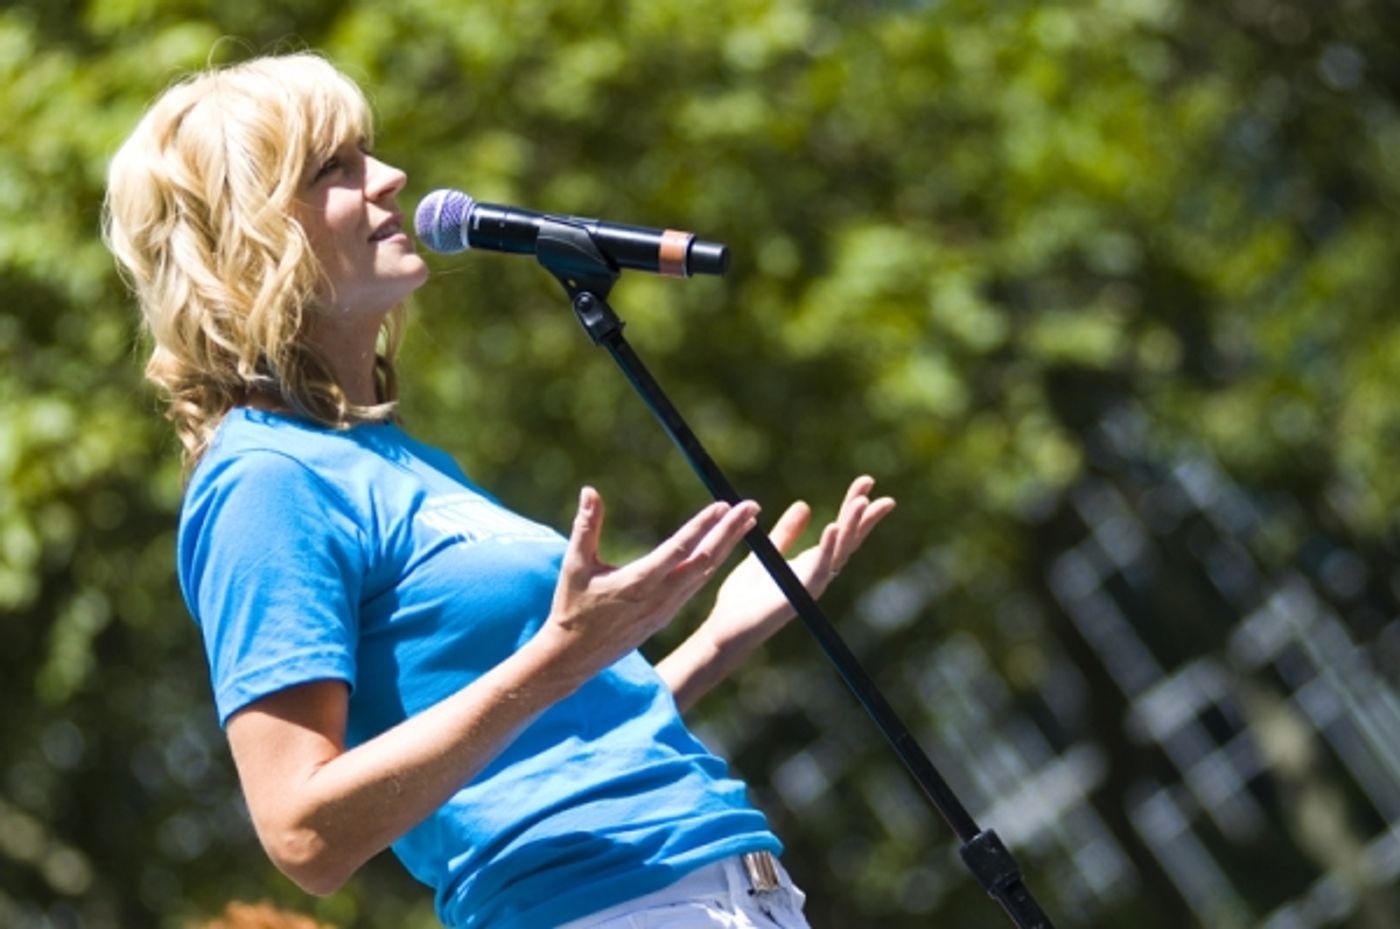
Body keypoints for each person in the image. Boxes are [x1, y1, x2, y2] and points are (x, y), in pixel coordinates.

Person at [103, 51, 894, 929]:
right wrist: (557, 653)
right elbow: (302, 834)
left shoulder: (394, 456)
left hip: (727, 889)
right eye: (336, 168)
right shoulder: (263, 481)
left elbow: (539, 755)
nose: (391, 178)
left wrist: (712, 641)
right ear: (244, 238)